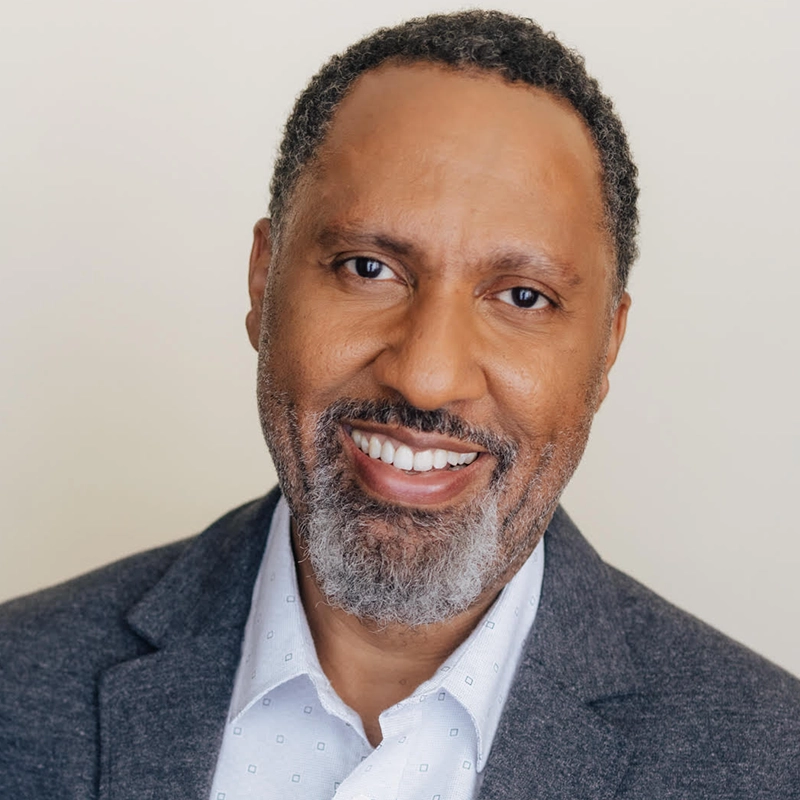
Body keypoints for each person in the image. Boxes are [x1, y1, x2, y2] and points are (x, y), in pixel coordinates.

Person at [1, 9, 798, 799]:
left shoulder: (771, 760)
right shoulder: (18, 687)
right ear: (263, 280)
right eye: (367, 268)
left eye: (522, 295)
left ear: (608, 346)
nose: (425, 376)